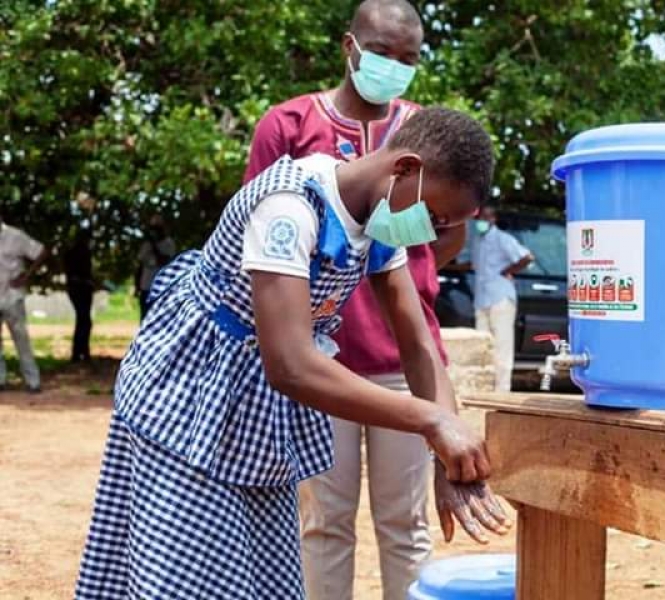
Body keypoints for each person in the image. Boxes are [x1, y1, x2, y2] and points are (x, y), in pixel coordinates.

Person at [74, 107, 510, 600]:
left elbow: (417, 345)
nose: (430, 232)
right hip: (189, 405)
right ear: (405, 168)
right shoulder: (290, 206)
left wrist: (445, 454)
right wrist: (432, 422)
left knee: (262, 579)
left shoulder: (379, 226)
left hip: (259, 425)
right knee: (189, 579)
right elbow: (291, 366)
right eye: (431, 215)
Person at [243, 3, 467, 598]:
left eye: (410, 58)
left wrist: (400, 272)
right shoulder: (288, 128)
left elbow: (453, 232)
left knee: (407, 523)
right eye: (383, 52)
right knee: (323, 523)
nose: (395, 66)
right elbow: (263, 252)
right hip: (323, 365)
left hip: (404, 356)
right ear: (350, 47)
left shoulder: (428, 136)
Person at [471, 206, 533, 392]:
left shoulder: (502, 239)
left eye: (486, 217)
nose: (482, 220)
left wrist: (508, 271)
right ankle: (485, 388)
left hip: (500, 298)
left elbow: (527, 257)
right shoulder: (478, 241)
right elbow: (474, 266)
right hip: (482, 299)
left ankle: (502, 391)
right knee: (483, 345)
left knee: (502, 346)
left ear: (493, 219)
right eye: (480, 217)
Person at [0, 215, 48, 393]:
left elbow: (41, 251)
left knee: (21, 339)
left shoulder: (15, 236)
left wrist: (27, 275)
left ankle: (32, 381)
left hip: (12, 296)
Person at [135, 214, 176, 319]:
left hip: (161, 288)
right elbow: (140, 265)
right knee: (144, 318)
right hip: (146, 287)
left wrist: (154, 245)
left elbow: (164, 260)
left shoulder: (168, 243)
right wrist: (137, 285)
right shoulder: (146, 244)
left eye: (157, 228)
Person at [64, 228, 95, 363]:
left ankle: (81, 351)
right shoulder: (80, 253)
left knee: (83, 320)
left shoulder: (73, 252)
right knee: (84, 320)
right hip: (80, 289)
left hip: (78, 288)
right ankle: (79, 352)